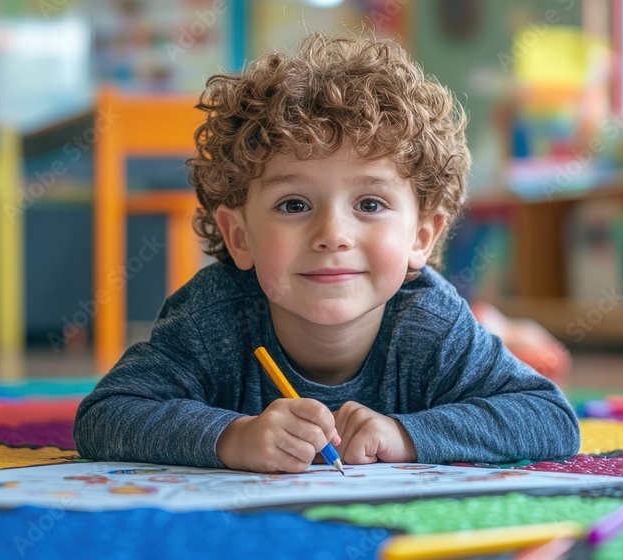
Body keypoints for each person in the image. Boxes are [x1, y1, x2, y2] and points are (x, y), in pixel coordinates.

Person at [74, 33, 580, 474]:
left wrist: (405, 436)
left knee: (482, 340)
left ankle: (497, 325)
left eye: (370, 203)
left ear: (421, 238)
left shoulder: (429, 321)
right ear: (240, 236)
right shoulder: (212, 316)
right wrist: (233, 437)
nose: (332, 234)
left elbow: (550, 417)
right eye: (294, 204)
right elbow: (106, 414)